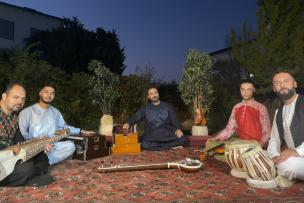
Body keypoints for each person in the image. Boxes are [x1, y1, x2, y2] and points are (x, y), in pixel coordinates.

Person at [18, 84, 94, 165]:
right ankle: (40, 161)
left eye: (52, 93)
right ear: (40, 93)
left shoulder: (55, 112)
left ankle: (45, 162)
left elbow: (64, 127)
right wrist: (36, 145)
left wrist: (81, 131)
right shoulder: (27, 112)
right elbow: (22, 133)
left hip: (52, 146)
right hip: (35, 147)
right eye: (46, 92)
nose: (49, 95)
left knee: (70, 146)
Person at [0, 83, 53, 187]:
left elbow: (20, 142)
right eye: (16, 97)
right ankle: (31, 179)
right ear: (4, 96)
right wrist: (8, 148)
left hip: (9, 159)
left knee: (42, 157)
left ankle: (29, 178)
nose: (20, 102)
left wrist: (40, 146)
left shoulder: (15, 118)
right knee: (27, 169)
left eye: (23, 99)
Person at [267, 72, 304, 186]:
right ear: (274, 89)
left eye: (286, 81)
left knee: (288, 165)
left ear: (295, 84)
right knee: (258, 154)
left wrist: (297, 151)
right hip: (296, 159)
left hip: (297, 156)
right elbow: (274, 140)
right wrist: (274, 156)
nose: (282, 85)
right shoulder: (279, 112)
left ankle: (285, 173)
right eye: (277, 83)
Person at [210, 79, 271, 147]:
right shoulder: (236, 107)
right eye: (243, 89)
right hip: (240, 144)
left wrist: (261, 143)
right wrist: (217, 138)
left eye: (249, 89)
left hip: (256, 145)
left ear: (253, 90)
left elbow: (267, 131)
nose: (245, 92)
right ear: (240, 90)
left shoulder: (260, 107)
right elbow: (229, 128)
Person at [123, 87, 187, 150]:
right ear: (148, 97)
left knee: (182, 139)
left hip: (166, 133)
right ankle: (170, 147)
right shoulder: (145, 108)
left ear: (158, 94)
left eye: (155, 93)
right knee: (144, 144)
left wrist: (178, 129)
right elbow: (136, 116)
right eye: (151, 94)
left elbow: (174, 119)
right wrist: (128, 123)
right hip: (151, 134)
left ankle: (160, 147)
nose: (154, 95)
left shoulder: (167, 106)